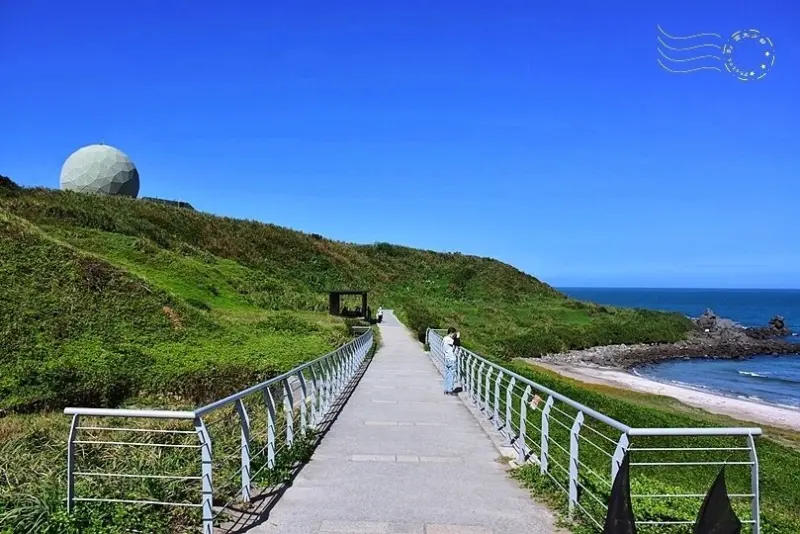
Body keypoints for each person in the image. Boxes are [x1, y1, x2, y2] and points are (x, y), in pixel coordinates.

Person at [442, 327, 459, 395]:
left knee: (447, 374)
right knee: (451, 375)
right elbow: (457, 343)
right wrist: (457, 337)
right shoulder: (449, 339)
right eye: (454, 334)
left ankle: (446, 389)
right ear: (451, 333)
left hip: (446, 358)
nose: (454, 335)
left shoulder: (444, 338)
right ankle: (450, 390)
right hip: (451, 359)